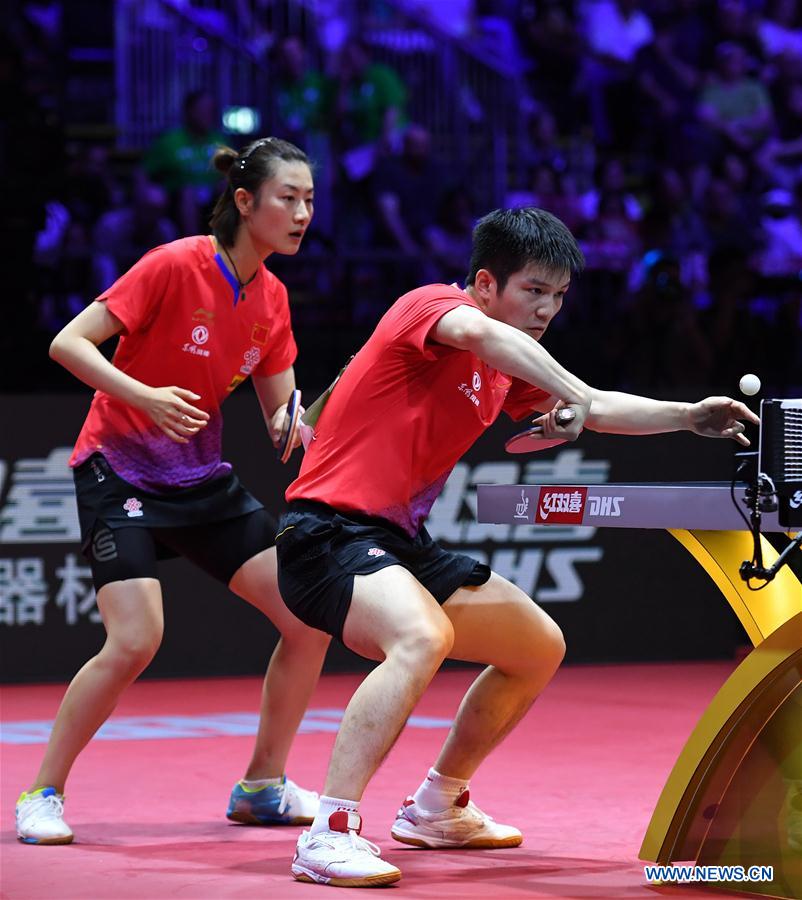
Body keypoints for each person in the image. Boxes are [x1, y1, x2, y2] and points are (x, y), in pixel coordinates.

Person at [274, 207, 760, 887]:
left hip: (400, 542)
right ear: (484, 283)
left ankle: (437, 806)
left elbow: (595, 405)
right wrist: (572, 394)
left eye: (558, 296)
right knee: (421, 637)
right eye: (533, 290)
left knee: (536, 645)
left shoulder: (507, 367)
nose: (547, 310)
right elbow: (491, 341)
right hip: (324, 533)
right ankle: (329, 830)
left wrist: (686, 417)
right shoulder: (430, 307)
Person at [15, 137, 330, 845]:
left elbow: (280, 414)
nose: (303, 213)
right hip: (119, 467)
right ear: (245, 202)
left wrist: (295, 426)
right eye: (288, 198)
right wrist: (144, 396)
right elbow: (68, 343)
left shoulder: (273, 299)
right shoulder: (174, 263)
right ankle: (43, 791)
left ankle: (263, 786)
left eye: (310, 200)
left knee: (308, 617)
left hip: (200, 478)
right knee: (136, 639)